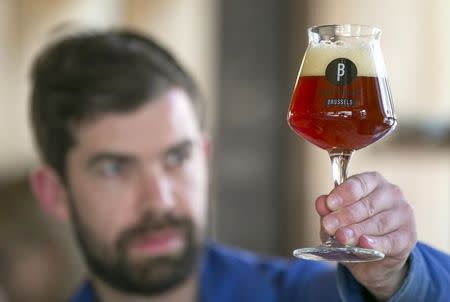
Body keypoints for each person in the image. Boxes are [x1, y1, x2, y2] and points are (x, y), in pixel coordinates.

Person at [28, 29, 450, 302]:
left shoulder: (303, 295)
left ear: (205, 158)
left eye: (177, 158)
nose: (159, 200)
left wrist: (394, 278)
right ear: (54, 192)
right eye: (114, 169)